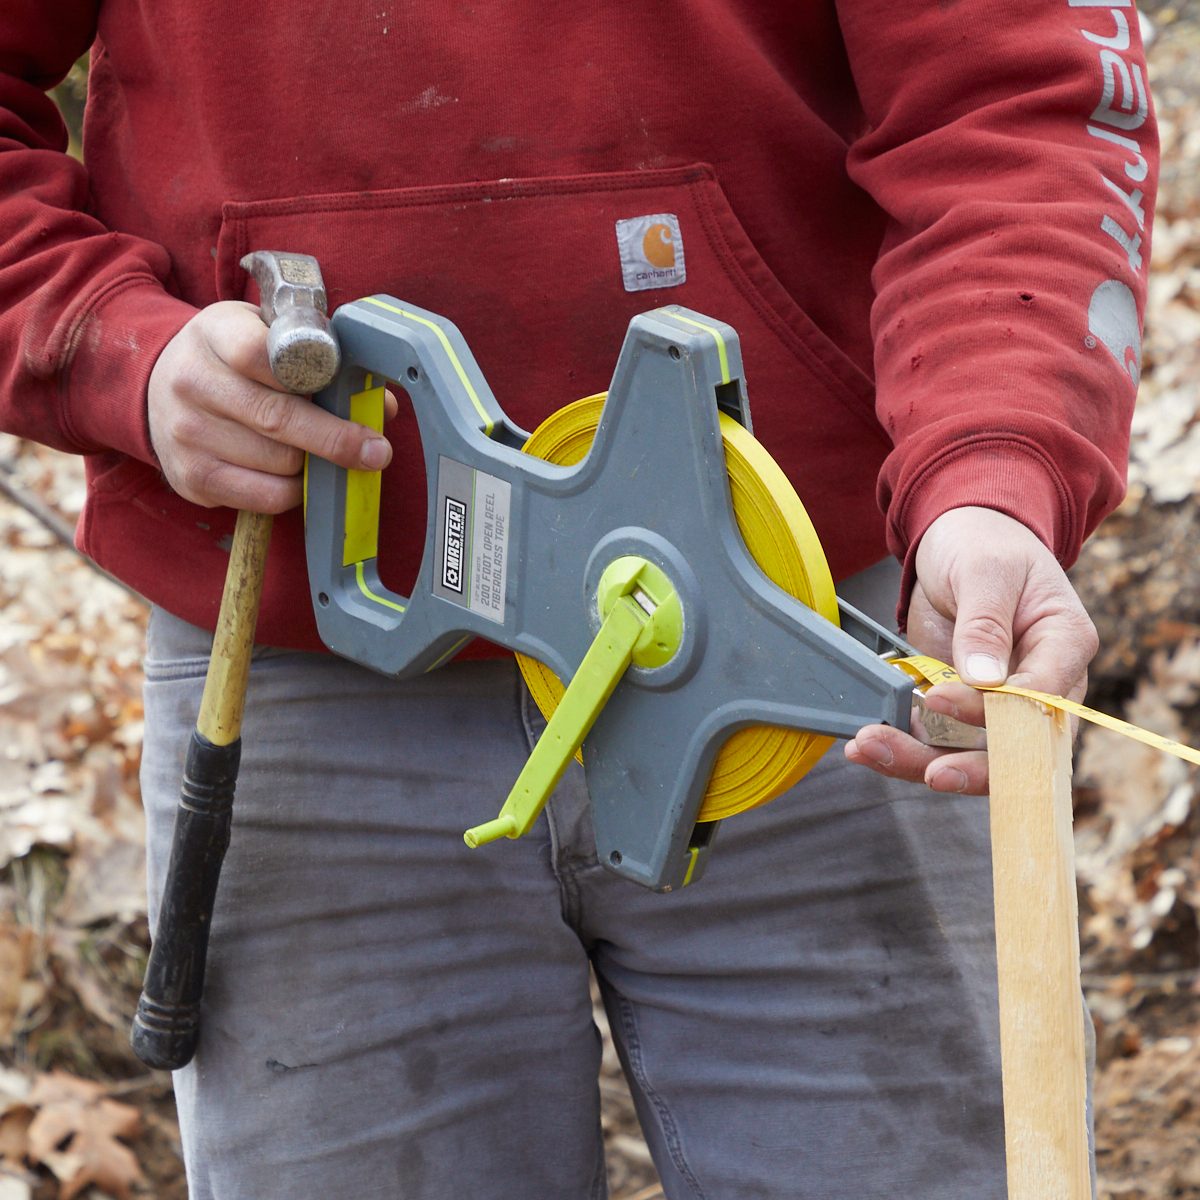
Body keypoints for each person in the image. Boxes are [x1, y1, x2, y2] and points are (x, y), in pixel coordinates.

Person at [0, 3, 1157, 1197]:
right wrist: (111, 350)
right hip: (310, 670)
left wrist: (993, 470)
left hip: (808, 654)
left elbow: (1017, 94)